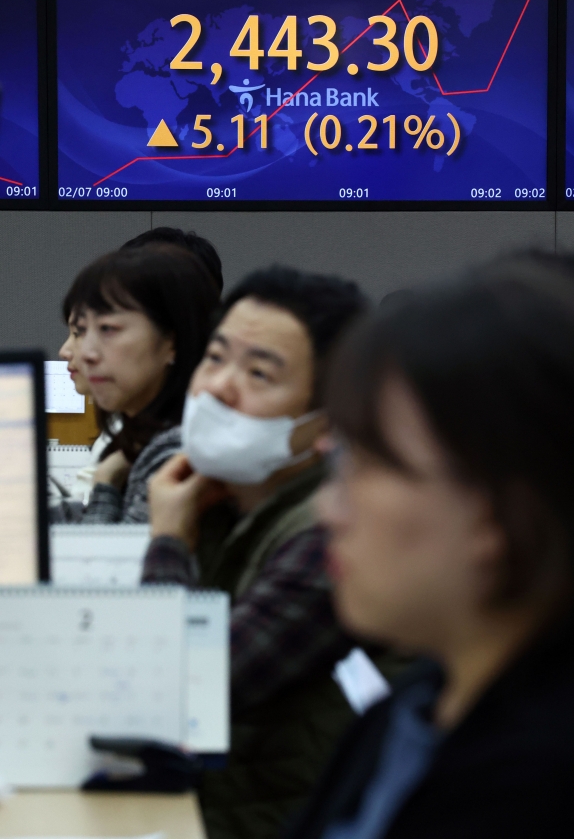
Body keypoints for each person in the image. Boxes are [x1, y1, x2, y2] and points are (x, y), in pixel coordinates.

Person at [286, 250, 574, 839]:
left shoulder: (556, 787)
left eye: (367, 466)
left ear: (499, 510)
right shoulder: (419, 703)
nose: (329, 509)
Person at [142, 265, 394, 839]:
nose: (218, 387)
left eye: (259, 373)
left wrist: (167, 543)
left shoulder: (333, 534)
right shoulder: (217, 504)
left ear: (325, 423)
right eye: (215, 358)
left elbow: (186, 690)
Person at [56, 227, 223, 503]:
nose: (85, 353)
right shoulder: (137, 438)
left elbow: (107, 547)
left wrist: (105, 483)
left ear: (172, 340)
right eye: (83, 331)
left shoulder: (177, 456)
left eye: (108, 329)